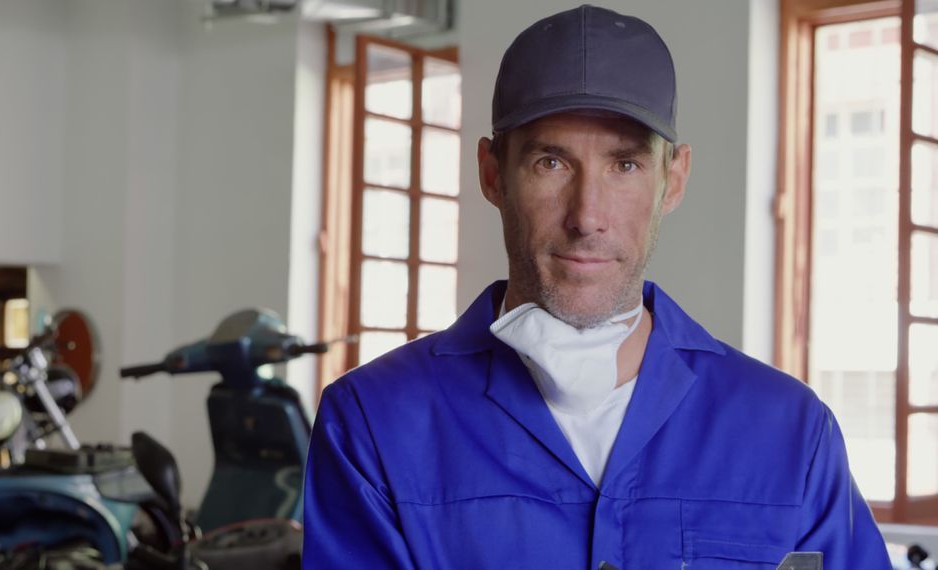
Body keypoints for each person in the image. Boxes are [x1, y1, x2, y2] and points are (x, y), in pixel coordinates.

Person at [303, 4, 891, 569]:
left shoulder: (790, 432)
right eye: (550, 163)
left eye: (626, 165)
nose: (587, 216)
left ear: (674, 179)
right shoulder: (373, 425)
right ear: (492, 175)